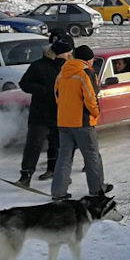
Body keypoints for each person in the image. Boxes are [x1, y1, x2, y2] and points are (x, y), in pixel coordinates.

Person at [51, 45, 108, 199]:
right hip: (83, 122)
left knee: (64, 157)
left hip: (63, 121)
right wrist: (96, 113)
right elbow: (91, 97)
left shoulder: (63, 72)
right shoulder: (86, 73)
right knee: (92, 156)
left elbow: (57, 95)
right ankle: (97, 190)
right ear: (88, 58)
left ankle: (58, 192)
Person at [16, 36, 73, 187]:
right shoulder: (38, 66)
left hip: (60, 112)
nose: (69, 54)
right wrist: (42, 90)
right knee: (34, 144)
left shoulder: (69, 67)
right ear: (60, 52)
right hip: (40, 113)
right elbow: (24, 83)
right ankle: (25, 175)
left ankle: (56, 172)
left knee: (58, 144)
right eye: (67, 52)